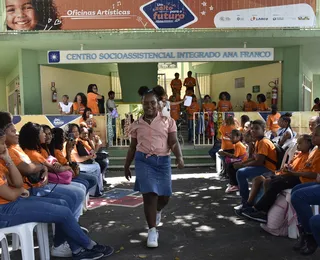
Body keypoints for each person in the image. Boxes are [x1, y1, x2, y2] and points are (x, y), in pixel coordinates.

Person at [0, 128, 114, 260]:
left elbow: (18, 183)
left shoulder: (3, 160)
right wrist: (19, 190)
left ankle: (78, 250)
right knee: (63, 212)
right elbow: (11, 194)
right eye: (2, 144)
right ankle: (88, 245)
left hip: (13, 202)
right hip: (5, 210)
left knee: (64, 204)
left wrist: (7, 159)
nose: (5, 147)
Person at [124, 86, 184, 248]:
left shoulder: (168, 121)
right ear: (141, 104)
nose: (149, 106)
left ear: (158, 104)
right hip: (143, 161)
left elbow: (173, 141)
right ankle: (152, 230)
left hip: (163, 162)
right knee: (149, 194)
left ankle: (157, 211)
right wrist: (127, 165)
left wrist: (179, 157)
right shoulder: (137, 125)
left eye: (152, 103)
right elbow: (132, 147)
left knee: (164, 196)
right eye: (145, 104)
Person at [242, 134, 314, 223]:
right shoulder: (299, 154)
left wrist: (291, 171)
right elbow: (293, 166)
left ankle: (261, 210)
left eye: (300, 143)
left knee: (274, 183)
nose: (297, 146)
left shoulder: (309, 155)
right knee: (267, 181)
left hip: (299, 178)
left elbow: (305, 171)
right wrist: (289, 167)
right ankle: (255, 207)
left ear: (308, 143)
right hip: (291, 174)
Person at [234, 120, 277, 212]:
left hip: (269, 169)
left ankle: (244, 202)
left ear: (264, 130)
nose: (253, 131)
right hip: (264, 166)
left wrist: (242, 166)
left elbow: (259, 162)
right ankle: (247, 202)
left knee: (241, 173)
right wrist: (242, 163)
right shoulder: (258, 141)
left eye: (257, 128)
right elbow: (254, 158)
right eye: (252, 128)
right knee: (240, 171)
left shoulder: (263, 142)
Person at [290, 125, 320, 256]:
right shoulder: (315, 150)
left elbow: (315, 174)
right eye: (313, 134)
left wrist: (296, 174)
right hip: (313, 181)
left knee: (298, 196)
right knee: (295, 191)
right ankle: (305, 233)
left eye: (316, 135)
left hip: (313, 181)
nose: (312, 137)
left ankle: (310, 236)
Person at [67, 124, 103, 197]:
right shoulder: (72, 142)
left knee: (97, 165)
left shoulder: (79, 141)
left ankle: (97, 190)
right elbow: (78, 159)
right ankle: (95, 191)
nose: (76, 133)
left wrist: (92, 151)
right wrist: (90, 156)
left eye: (77, 131)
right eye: (73, 131)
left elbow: (92, 150)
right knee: (96, 167)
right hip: (75, 165)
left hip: (78, 164)